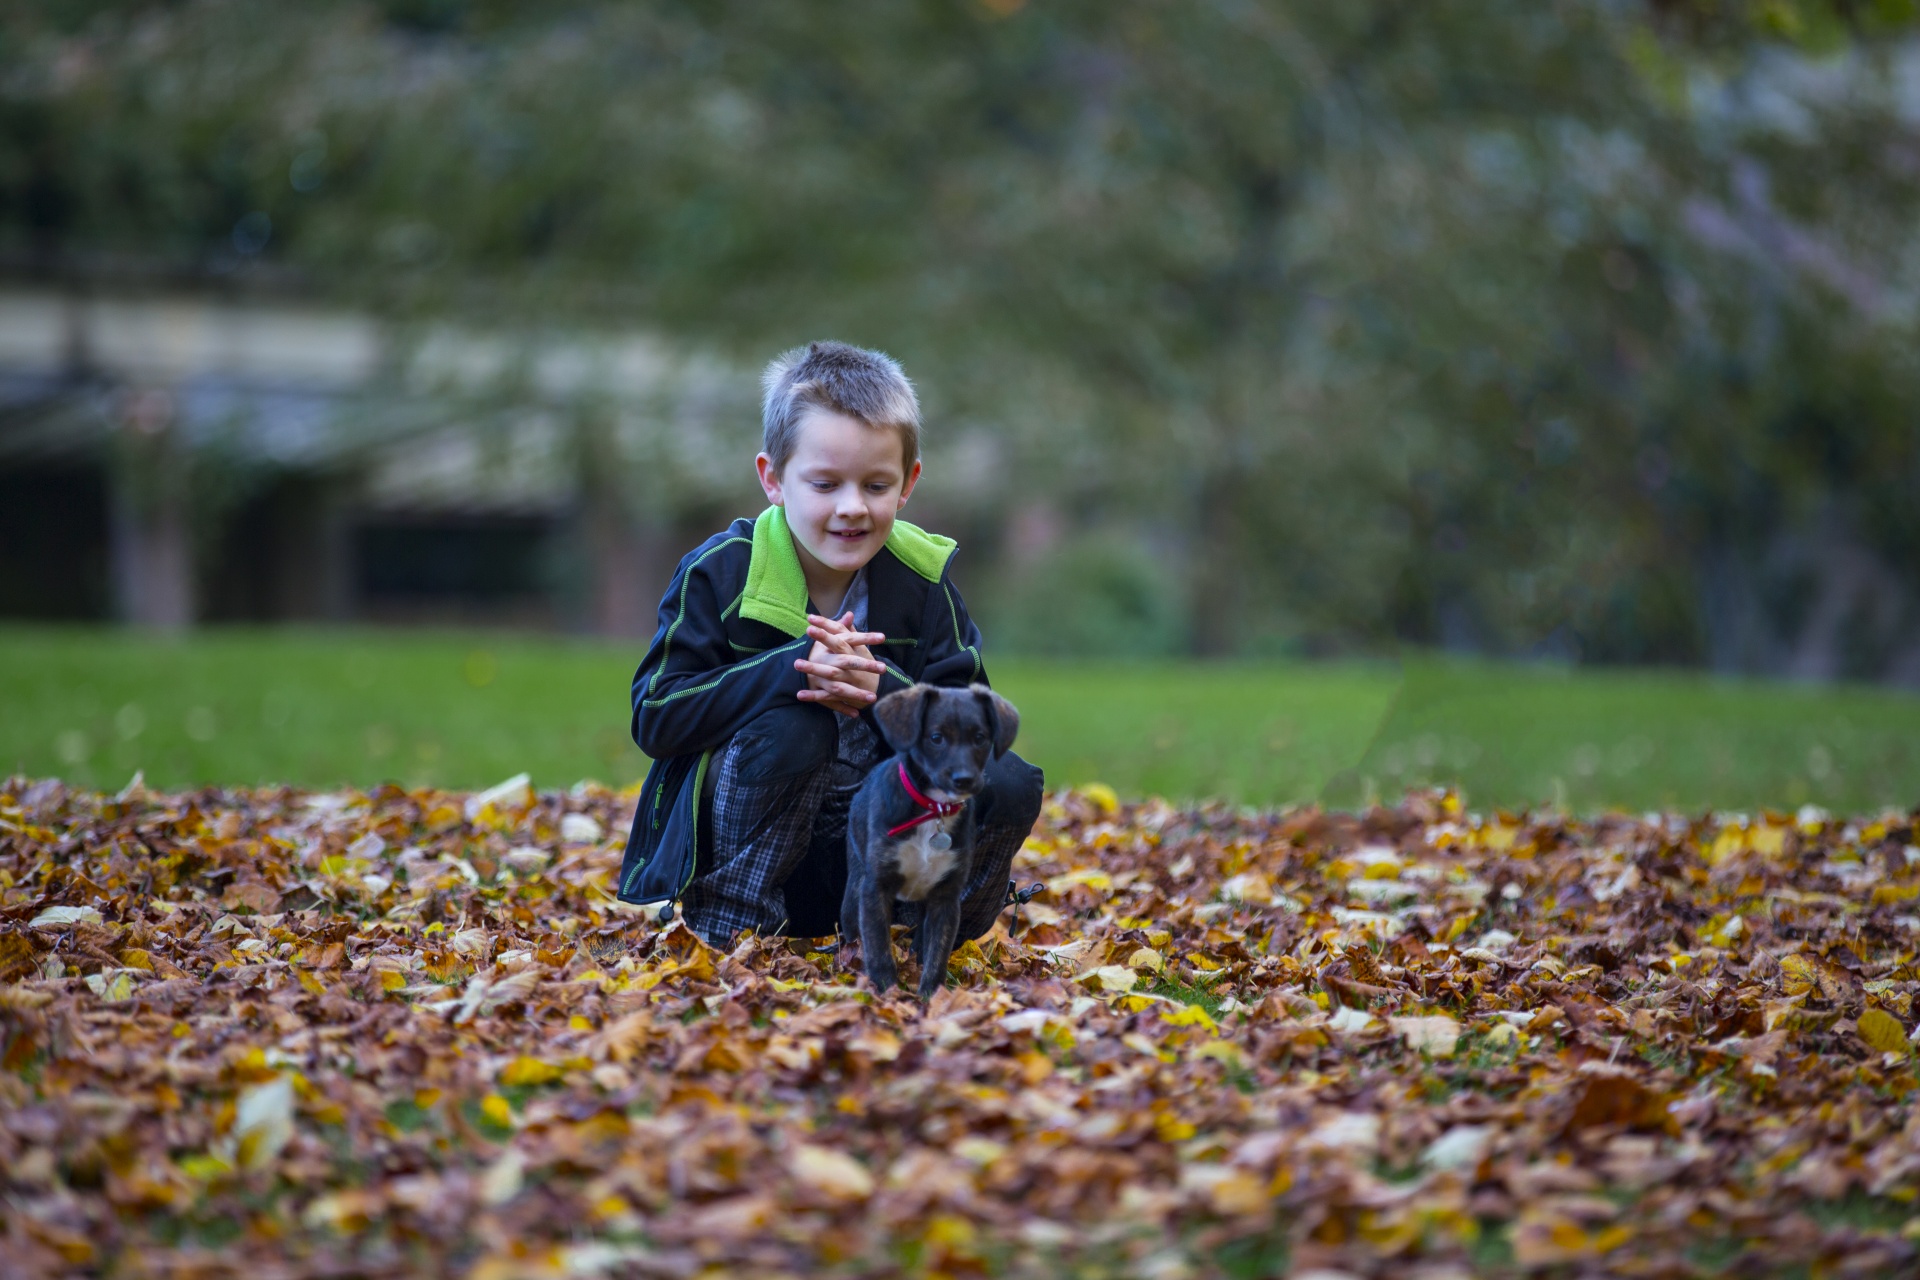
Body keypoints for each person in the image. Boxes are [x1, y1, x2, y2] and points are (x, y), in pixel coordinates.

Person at [616, 340, 1044, 949]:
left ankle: (922, 928)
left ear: (907, 484)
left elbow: (969, 722)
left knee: (1011, 780)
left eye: (875, 485)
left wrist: (884, 691)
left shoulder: (922, 580)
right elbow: (656, 717)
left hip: (876, 852)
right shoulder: (720, 573)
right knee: (798, 728)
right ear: (773, 479)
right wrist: (790, 673)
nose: (852, 508)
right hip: (756, 848)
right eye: (825, 484)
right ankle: (735, 928)